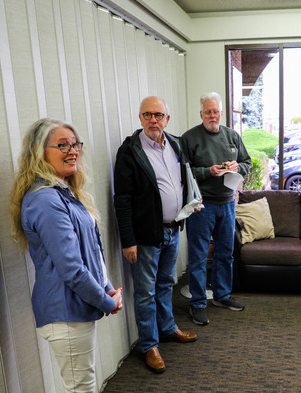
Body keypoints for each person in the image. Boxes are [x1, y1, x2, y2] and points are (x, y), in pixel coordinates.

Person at [10, 118, 123, 393]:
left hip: (76, 309)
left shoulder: (64, 192)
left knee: (85, 384)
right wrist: (107, 303)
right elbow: (72, 269)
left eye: (75, 144)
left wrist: (107, 289)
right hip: (65, 314)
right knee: (81, 388)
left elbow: (91, 253)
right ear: (39, 152)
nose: (72, 151)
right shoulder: (45, 200)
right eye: (62, 145)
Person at [113, 96, 197, 374]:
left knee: (165, 284)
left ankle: (168, 327)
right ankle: (149, 345)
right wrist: (128, 240)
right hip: (147, 235)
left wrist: (189, 202)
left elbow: (183, 179)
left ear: (167, 119)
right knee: (146, 293)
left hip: (173, 229)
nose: (153, 120)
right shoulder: (130, 150)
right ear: (140, 118)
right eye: (148, 115)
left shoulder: (175, 143)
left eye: (158, 115)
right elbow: (122, 199)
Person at [180, 92, 252, 326]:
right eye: (208, 112)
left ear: (222, 113)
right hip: (201, 205)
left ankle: (221, 295)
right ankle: (198, 303)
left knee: (225, 253)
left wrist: (237, 167)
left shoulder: (232, 137)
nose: (212, 115)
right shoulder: (189, 138)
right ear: (201, 114)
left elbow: (247, 163)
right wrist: (206, 172)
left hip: (227, 203)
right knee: (199, 257)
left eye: (216, 111)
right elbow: (181, 171)